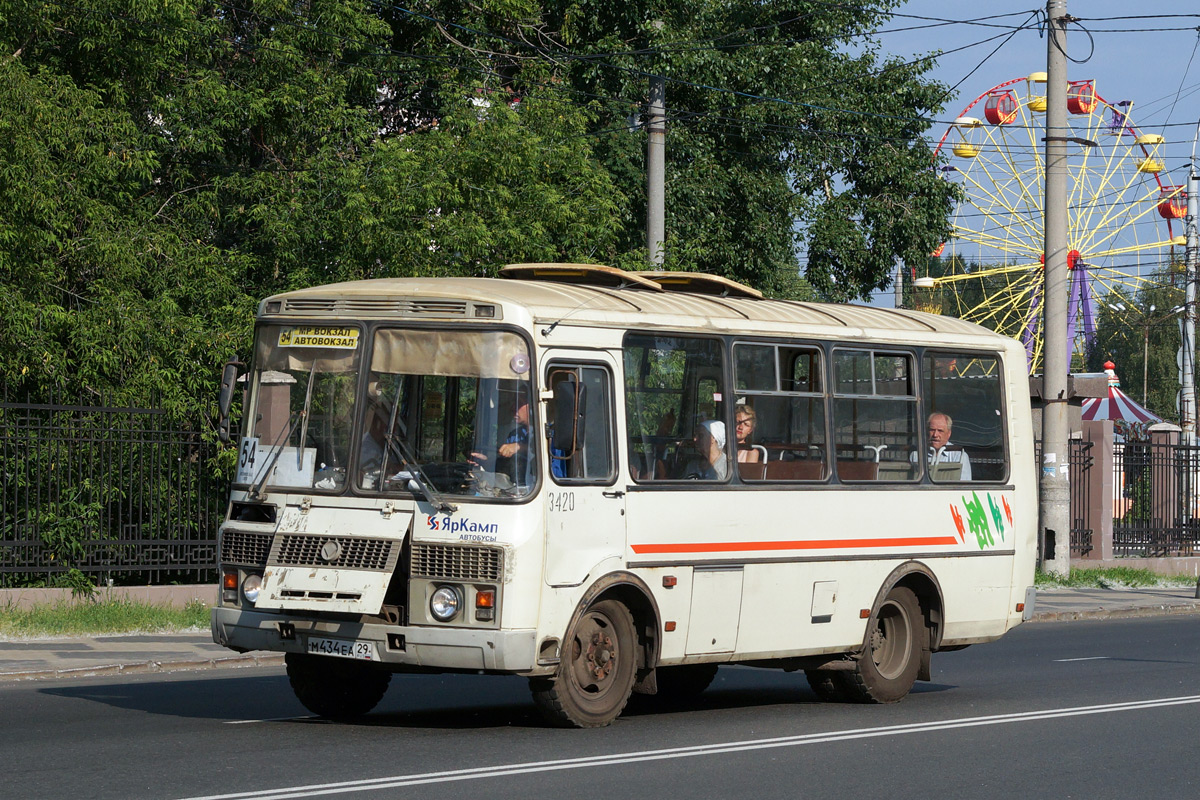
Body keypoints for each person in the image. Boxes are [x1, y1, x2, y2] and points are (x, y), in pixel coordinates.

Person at [923, 411, 971, 480]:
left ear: (948, 434)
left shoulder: (959, 456)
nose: (935, 435)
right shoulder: (917, 454)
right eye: (932, 430)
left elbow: (964, 487)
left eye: (940, 431)